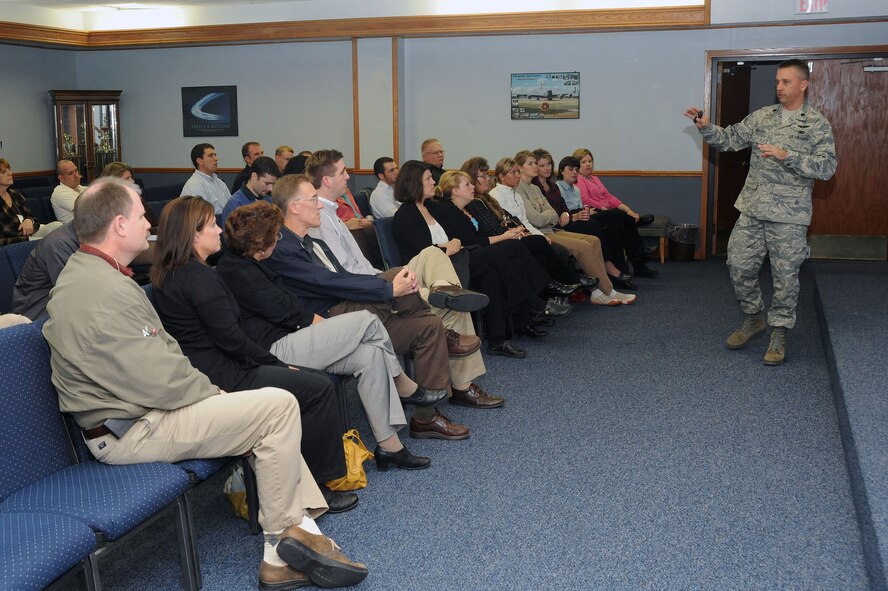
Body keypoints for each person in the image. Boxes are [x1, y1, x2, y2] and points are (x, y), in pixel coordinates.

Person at [42, 177, 367, 590]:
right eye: (143, 217)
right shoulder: (104, 291)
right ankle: (287, 540)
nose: (150, 225)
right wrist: (213, 392)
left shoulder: (90, 274)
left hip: (135, 415)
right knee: (277, 407)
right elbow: (159, 379)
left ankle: (296, 538)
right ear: (119, 225)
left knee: (266, 409)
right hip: (131, 430)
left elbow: (159, 362)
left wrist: (209, 391)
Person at [150, 195, 355, 511]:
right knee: (317, 388)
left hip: (214, 365)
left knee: (312, 383)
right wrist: (279, 365)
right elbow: (232, 340)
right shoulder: (199, 278)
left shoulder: (177, 272)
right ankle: (319, 484)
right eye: (210, 226)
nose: (219, 230)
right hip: (224, 372)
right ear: (192, 234)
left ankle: (310, 479)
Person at [265, 174, 487, 440]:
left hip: (356, 310)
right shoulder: (281, 249)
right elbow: (330, 284)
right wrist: (387, 290)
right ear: (294, 207)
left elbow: (344, 278)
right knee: (395, 277)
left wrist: (382, 286)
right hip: (329, 321)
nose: (320, 205)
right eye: (313, 200)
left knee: (429, 326)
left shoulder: (313, 242)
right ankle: (440, 312)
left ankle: (425, 420)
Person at [217, 201, 434, 470]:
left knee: (371, 354)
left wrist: (308, 318)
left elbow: (286, 304)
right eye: (275, 236)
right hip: (274, 350)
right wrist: (312, 319)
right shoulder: (236, 270)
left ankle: (390, 447)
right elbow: (283, 308)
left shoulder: (250, 261)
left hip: (292, 336)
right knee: (367, 321)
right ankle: (402, 381)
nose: (278, 239)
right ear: (260, 245)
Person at [684, 58, 836, 365]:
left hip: (789, 216)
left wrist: (788, 155)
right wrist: (705, 126)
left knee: (785, 278)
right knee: (738, 266)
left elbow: (827, 168)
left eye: (786, 82)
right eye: (777, 81)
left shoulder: (817, 124)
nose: (779, 87)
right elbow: (729, 139)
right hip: (753, 209)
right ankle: (754, 317)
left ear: (803, 85)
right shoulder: (763, 117)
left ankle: (779, 331)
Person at [393, 161, 564, 357]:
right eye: (428, 179)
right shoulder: (405, 215)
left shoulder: (432, 206)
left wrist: (454, 241)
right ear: (414, 182)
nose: (434, 182)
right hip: (434, 273)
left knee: (492, 274)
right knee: (500, 251)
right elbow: (422, 252)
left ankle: (498, 340)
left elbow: (454, 232)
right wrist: (448, 245)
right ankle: (537, 300)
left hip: (456, 260)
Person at [489, 157, 636, 305]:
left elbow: (551, 213)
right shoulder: (508, 192)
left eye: (517, 172)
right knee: (584, 246)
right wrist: (545, 225)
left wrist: (551, 218)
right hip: (539, 232)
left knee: (594, 240)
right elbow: (535, 219)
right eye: (531, 164)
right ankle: (602, 291)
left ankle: (604, 290)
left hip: (546, 230)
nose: (518, 175)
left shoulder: (531, 189)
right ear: (503, 175)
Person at [571, 148, 659, 278]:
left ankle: (638, 258)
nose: (588, 164)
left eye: (590, 161)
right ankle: (639, 254)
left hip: (608, 212)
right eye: (584, 162)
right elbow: (585, 199)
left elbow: (609, 197)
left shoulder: (594, 178)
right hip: (594, 213)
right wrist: (603, 208)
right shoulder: (578, 179)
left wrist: (629, 210)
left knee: (621, 217)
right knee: (617, 216)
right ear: (577, 165)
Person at [552, 155, 638, 286]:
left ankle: (620, 267)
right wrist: (578, 215)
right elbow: (561, 212)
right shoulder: (557, 187)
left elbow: (582, 206)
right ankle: (610, 266)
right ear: (562, 170)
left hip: (581, 216)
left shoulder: (576, 189)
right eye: (571, 169)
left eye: (576, 169)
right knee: (599, 222)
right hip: (568, 221)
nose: (575, 172)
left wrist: (587, 211)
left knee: (611, 220)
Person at [11, 221, 78, 321]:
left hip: (58, 303)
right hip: (35, 310)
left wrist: (30, 220)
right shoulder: (59, 243)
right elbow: (76, 295)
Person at [0, 158, 62, 245]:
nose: (10, 173)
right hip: (14, 242)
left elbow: (34, 219)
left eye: (9, 170)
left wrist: (29, 220)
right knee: (53, 240)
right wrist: (26, 234)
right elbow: (6, 234)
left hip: (31, 233)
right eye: (3, 172)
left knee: (57, 225)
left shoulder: (15, 195)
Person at [220, 155, 280, 224]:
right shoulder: (235, 204)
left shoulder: (268, 200)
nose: (271, 189)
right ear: (254, 176)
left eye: (273, 184)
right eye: (267, 183)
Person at [180, 143, 231, 214]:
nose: (216, 159)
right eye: (210, 156)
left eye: (215, 155)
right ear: (200, 161)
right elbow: (201, 218)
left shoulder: (219, 182)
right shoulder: (195, 185)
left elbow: (231, 207)